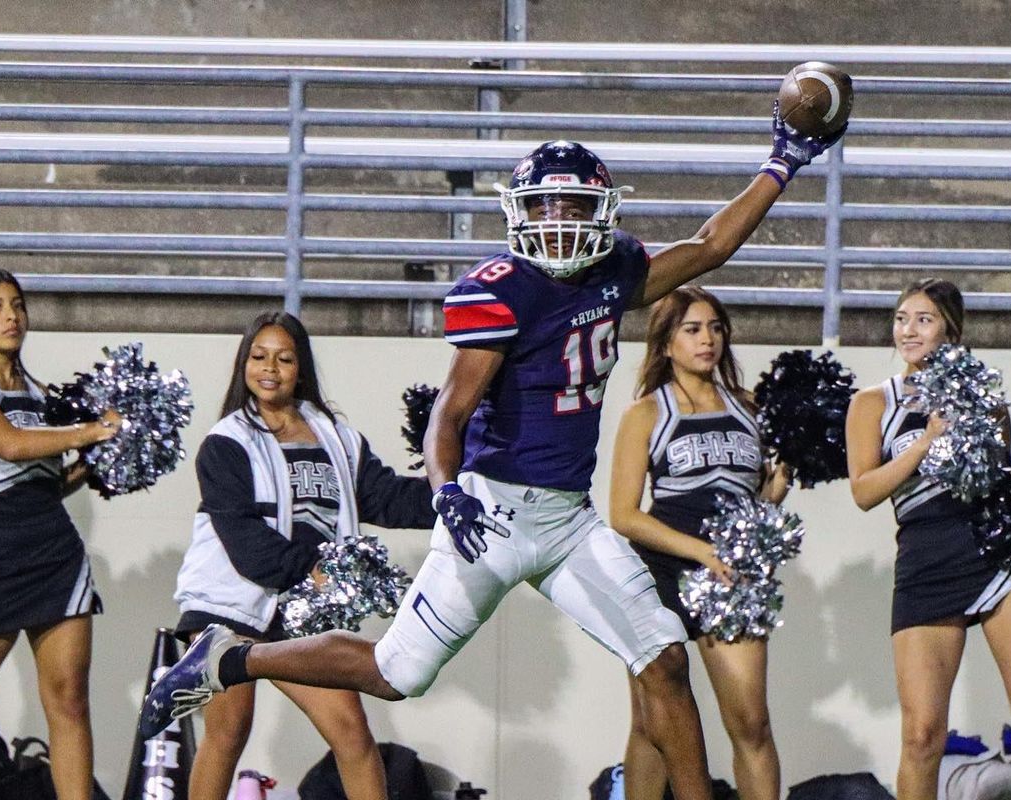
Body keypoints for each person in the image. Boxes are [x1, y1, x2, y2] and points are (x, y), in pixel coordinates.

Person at [141, 113, 844, 800]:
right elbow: (450, 413)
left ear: (601, 212)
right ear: (521, 212)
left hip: (568, 521)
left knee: (663, 659)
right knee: (395, 672)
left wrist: (781, 162)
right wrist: (448, 492)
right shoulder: (502, 289)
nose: (561, 219)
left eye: (575, 204)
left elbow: (711, 243)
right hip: (494, 513)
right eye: (548, 205)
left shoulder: (617, 270)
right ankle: (229, 659)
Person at [173, 311, 435, 800]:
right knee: (228, 732)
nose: (269, 367)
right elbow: (244, 539)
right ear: (244, 364)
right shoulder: (226, 443)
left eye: (284, 357)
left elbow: (383, 497)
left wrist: (450, 497)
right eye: (258, 356)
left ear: (301, 368)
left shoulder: (334, 436)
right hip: (230, 602)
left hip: (299, 606)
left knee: (351, 732)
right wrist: (314, 571)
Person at [844, 278, 1011, 800]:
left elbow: (1002, 480)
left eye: (923, 319)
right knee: (923, 736)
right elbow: (864, 491)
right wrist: (926, 440)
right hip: (926, 561)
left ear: (952, 329)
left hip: (996, 557)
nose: (909, 330)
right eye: (902, 318)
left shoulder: (986, 399)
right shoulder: (871, 403)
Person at [0, 268, 118, 800]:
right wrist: (91, 430)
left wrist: (92, 464)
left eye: (17, 305)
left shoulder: (38, 391)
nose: (11, 316)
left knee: (68, 701)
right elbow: (11, 445)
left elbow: (40, 481)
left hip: (55, 555)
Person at [609, 286, 790, 800]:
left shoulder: (750, 407)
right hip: (662, 569)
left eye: (714, 328)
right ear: (666, 343)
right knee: (652, 726)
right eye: (691, 329)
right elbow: (624, 515)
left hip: (731, 574)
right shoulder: (645, 413)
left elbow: (759, 500)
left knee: (751, 723)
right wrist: (696, 551)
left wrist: (781, 481)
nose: (706, 340)